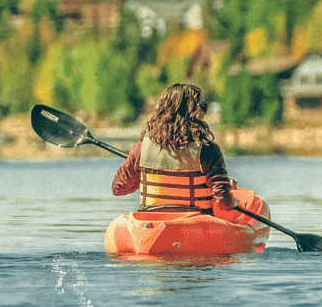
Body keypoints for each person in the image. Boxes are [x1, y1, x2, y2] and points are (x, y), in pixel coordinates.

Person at [111, 82, 266, 222]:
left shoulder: (141, 149)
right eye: (203, 107)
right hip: (196, 224)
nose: (205, 113)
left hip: (151, 223)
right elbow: (222, 201)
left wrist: (147, 177)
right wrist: (231, 198)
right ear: (191, 111)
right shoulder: (208, 150)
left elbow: (119, 188)